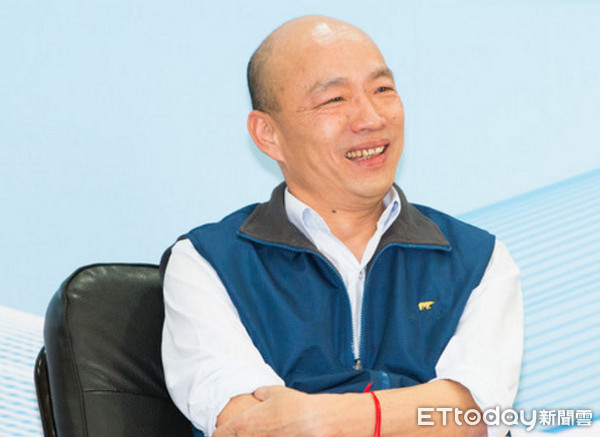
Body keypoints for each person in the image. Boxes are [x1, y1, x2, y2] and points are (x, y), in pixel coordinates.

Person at [160, 15, 523, 437]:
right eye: (334, 99)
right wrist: (419, 409)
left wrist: (318, 418)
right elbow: (252, 427)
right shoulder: (207, 262)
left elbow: (471, 418)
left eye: (382, 90)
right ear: (268, 134)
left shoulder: (476, 259)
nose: (370, 118)